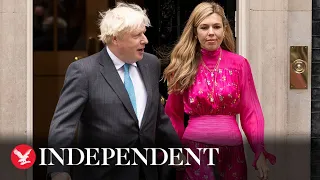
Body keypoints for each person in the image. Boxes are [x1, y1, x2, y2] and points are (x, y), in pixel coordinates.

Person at [47, 2, 183, 180]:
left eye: (144, 33)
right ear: (115, 39)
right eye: (137, 35)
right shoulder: (84, 71)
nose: (145, 40)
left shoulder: (151, 64)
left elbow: (157, 115)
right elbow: (63, 125)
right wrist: (58, 170)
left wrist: (176, 151)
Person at [163, 2, 276, 180]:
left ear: (224, 30)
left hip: (233, 152)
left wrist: (259, 150)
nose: (211, 33)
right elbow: (173, 115)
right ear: (195, 31)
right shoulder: (183, 66)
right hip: (194, 150)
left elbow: (251, 111)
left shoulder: (239, 64)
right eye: (204, 27)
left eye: (216, 27)